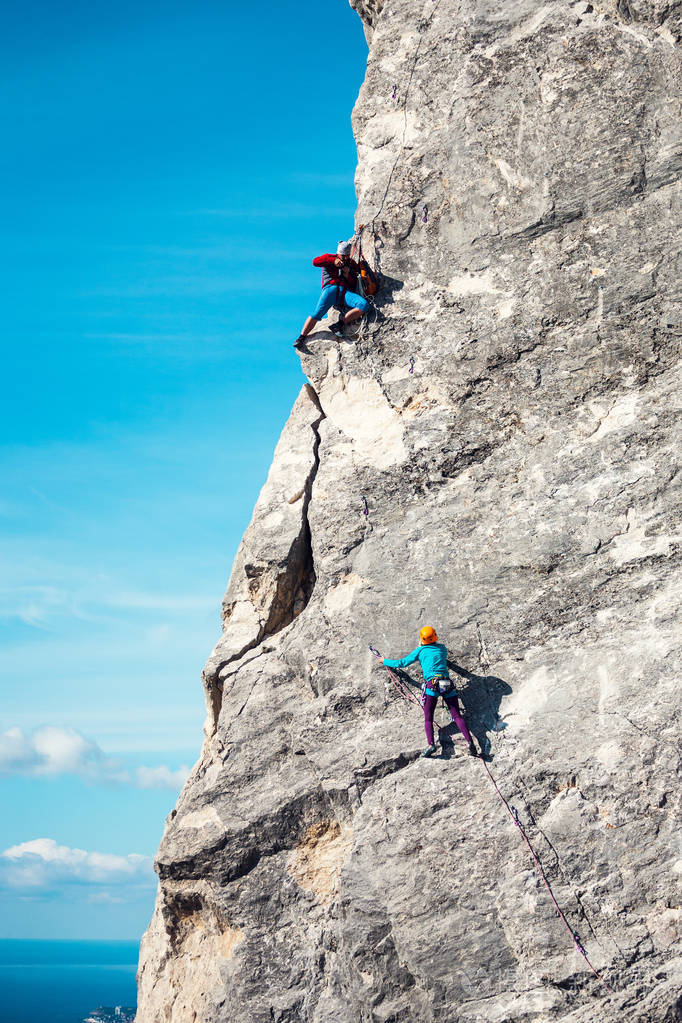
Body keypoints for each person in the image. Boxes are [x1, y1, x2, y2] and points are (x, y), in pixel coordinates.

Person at [383, 626, 478, 758]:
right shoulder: (442, 648)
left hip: (432, 685)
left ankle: (431, 745)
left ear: (422, 639)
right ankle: (470, 742)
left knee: (428, 718)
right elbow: (439, 656)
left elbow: (402, 663)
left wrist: (384, 661)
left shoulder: (420, 651)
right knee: (457, 716)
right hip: (446, 683)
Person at [294, 241, 371, 347]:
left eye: (347, 256)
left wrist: (347, 274)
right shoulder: (329, 257)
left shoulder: (351, 263)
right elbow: (315, 262)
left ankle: (339, 325)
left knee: (364, 305)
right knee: (317, 313)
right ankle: (301, 337)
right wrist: (333, 261)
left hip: (344, 293)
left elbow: (354, 283)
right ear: (338, 253)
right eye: (342, 256)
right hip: (330, 290)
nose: (345, 258)